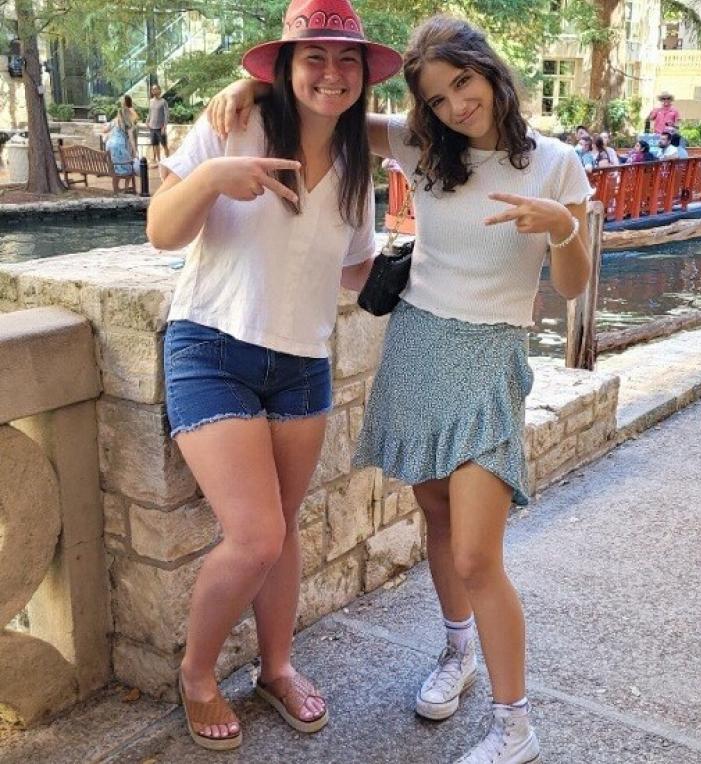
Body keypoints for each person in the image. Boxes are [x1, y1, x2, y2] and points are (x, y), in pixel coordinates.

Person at [208, 14, 591, 764]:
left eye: (463, 83)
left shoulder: (556, 163)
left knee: (480, 554)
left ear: (489, 72)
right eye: (437, 97)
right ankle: (457, 653)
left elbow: (574, 288)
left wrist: (563, 229)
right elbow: (330, 103)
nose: (455, 106)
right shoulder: (424, 146)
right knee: (437, 514)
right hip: (417, 343)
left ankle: (517, 726)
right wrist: (248, 86)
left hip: (488, 356)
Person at [146, 0, 402, 751]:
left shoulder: (357, 163)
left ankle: (277, 667)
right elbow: (163, 231)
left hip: (303, 363)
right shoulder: (235, 123)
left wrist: (407, 271)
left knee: (283, 531)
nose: (332, 73)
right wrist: (215, 177)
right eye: (313, 57)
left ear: (364, 74)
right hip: (212, 347)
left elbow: (350, 265)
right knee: (255, 535)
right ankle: (197, 675)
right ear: (284, 68)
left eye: (346, 59)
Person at [103, 99, 136, 193]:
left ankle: (116, 189)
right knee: (130, 167)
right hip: (119, 147)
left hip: (109, 146)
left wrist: (105, 126)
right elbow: (131, 140)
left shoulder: (114, 121)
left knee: (115, 168)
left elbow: (104, 130)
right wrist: (135, 152)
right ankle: (126, 189)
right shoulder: (128, 123)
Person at [147, 84, 170, 164]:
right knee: (155, 145)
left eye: (156, 89)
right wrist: (147, 121)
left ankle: (168, 162)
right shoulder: (151, 101)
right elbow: (150, 112)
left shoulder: (163, 102)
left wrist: (164, 126)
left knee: (164, 145)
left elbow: (167, 115)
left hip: (160, 128)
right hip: (152, 127)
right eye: (153, 89)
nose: (154, 91)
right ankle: (159, 161)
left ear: (159, 90)